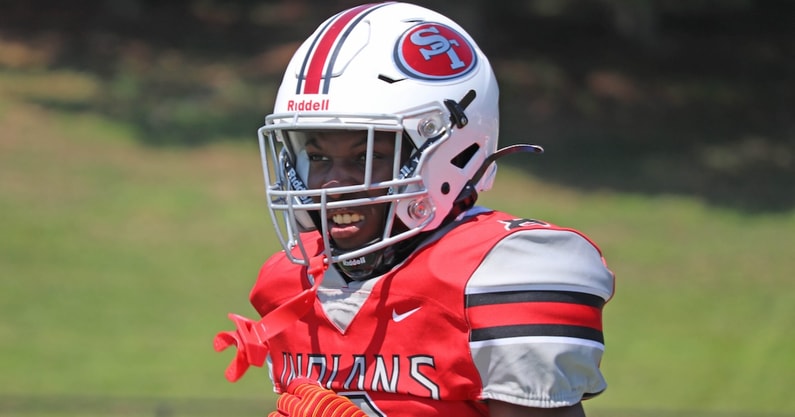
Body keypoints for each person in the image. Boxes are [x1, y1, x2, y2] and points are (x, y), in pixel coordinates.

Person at [214, 2, 615, 417]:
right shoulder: (289, 284)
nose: (332, 184)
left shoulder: (504, 275)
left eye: (367, 156)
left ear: (448, 149)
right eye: (316, 158)